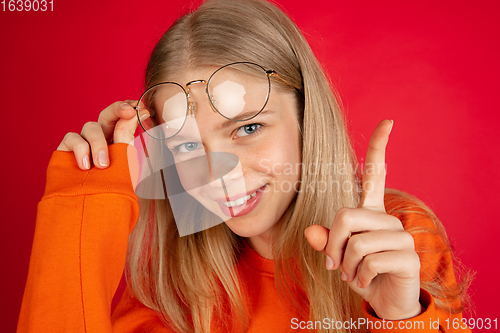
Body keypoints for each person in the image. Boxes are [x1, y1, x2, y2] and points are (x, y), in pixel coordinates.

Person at [17, 0, 473, 332]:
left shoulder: (399, 239)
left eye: (248, 129)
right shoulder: (168, 284)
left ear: (307, 115)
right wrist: (78, 205)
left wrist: (402, 318)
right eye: (186, 146)